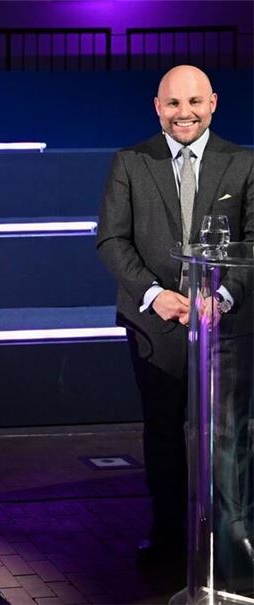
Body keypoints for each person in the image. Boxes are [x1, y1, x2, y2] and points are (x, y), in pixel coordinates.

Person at [96, 65, 254, 572]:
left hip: (227, 325)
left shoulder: (245, 162)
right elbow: (112, 240)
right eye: (173, 103)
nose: (184, 113)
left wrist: (221, 297)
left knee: (230, 435)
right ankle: (168, 536)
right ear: (157, 107)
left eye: (194, 102)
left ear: (213, 103)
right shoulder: (130, 162)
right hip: (156, 324)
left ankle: (231, 543)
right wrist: (153, 294)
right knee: (163, 433)